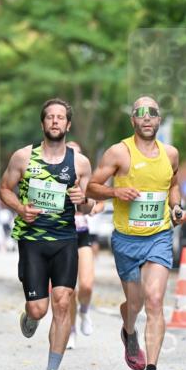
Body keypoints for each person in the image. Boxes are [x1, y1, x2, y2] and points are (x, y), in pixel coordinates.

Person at [87, 96, 186, 370]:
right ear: (133, 121)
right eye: (140, 114)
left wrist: (177, 207)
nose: (146, 118)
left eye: (152, 113)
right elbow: (92, 186)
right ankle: (128, 330)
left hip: (158, 236)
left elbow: (173, 185)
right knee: (136, 304)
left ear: (159, 120)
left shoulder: (170, 154)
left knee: (155, 300)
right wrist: (116, 191)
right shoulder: (119, 152)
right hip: (127, 240)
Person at [0, 98, 94, 370]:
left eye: (60, 117)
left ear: (67, 125)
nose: (55, 121)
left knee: (63, 302)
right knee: (39, 310)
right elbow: (4, 190)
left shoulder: (80, 163)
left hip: (65, 240)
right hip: (32, 241)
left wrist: (84, 202)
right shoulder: (23, 158)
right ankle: (30, 315)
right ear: (43, 124)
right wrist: (20, 208)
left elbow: (88, 205)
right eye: (50, 117)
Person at [65, 141, 104, 350]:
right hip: (62, 235)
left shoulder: (86, 177)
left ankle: (85, 311)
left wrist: (93, 208)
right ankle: (70, 330)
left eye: (77, 154)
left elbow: (101, 200)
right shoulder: (56, 176)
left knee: (87, 284)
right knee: (68, 290)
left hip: (82, 234)